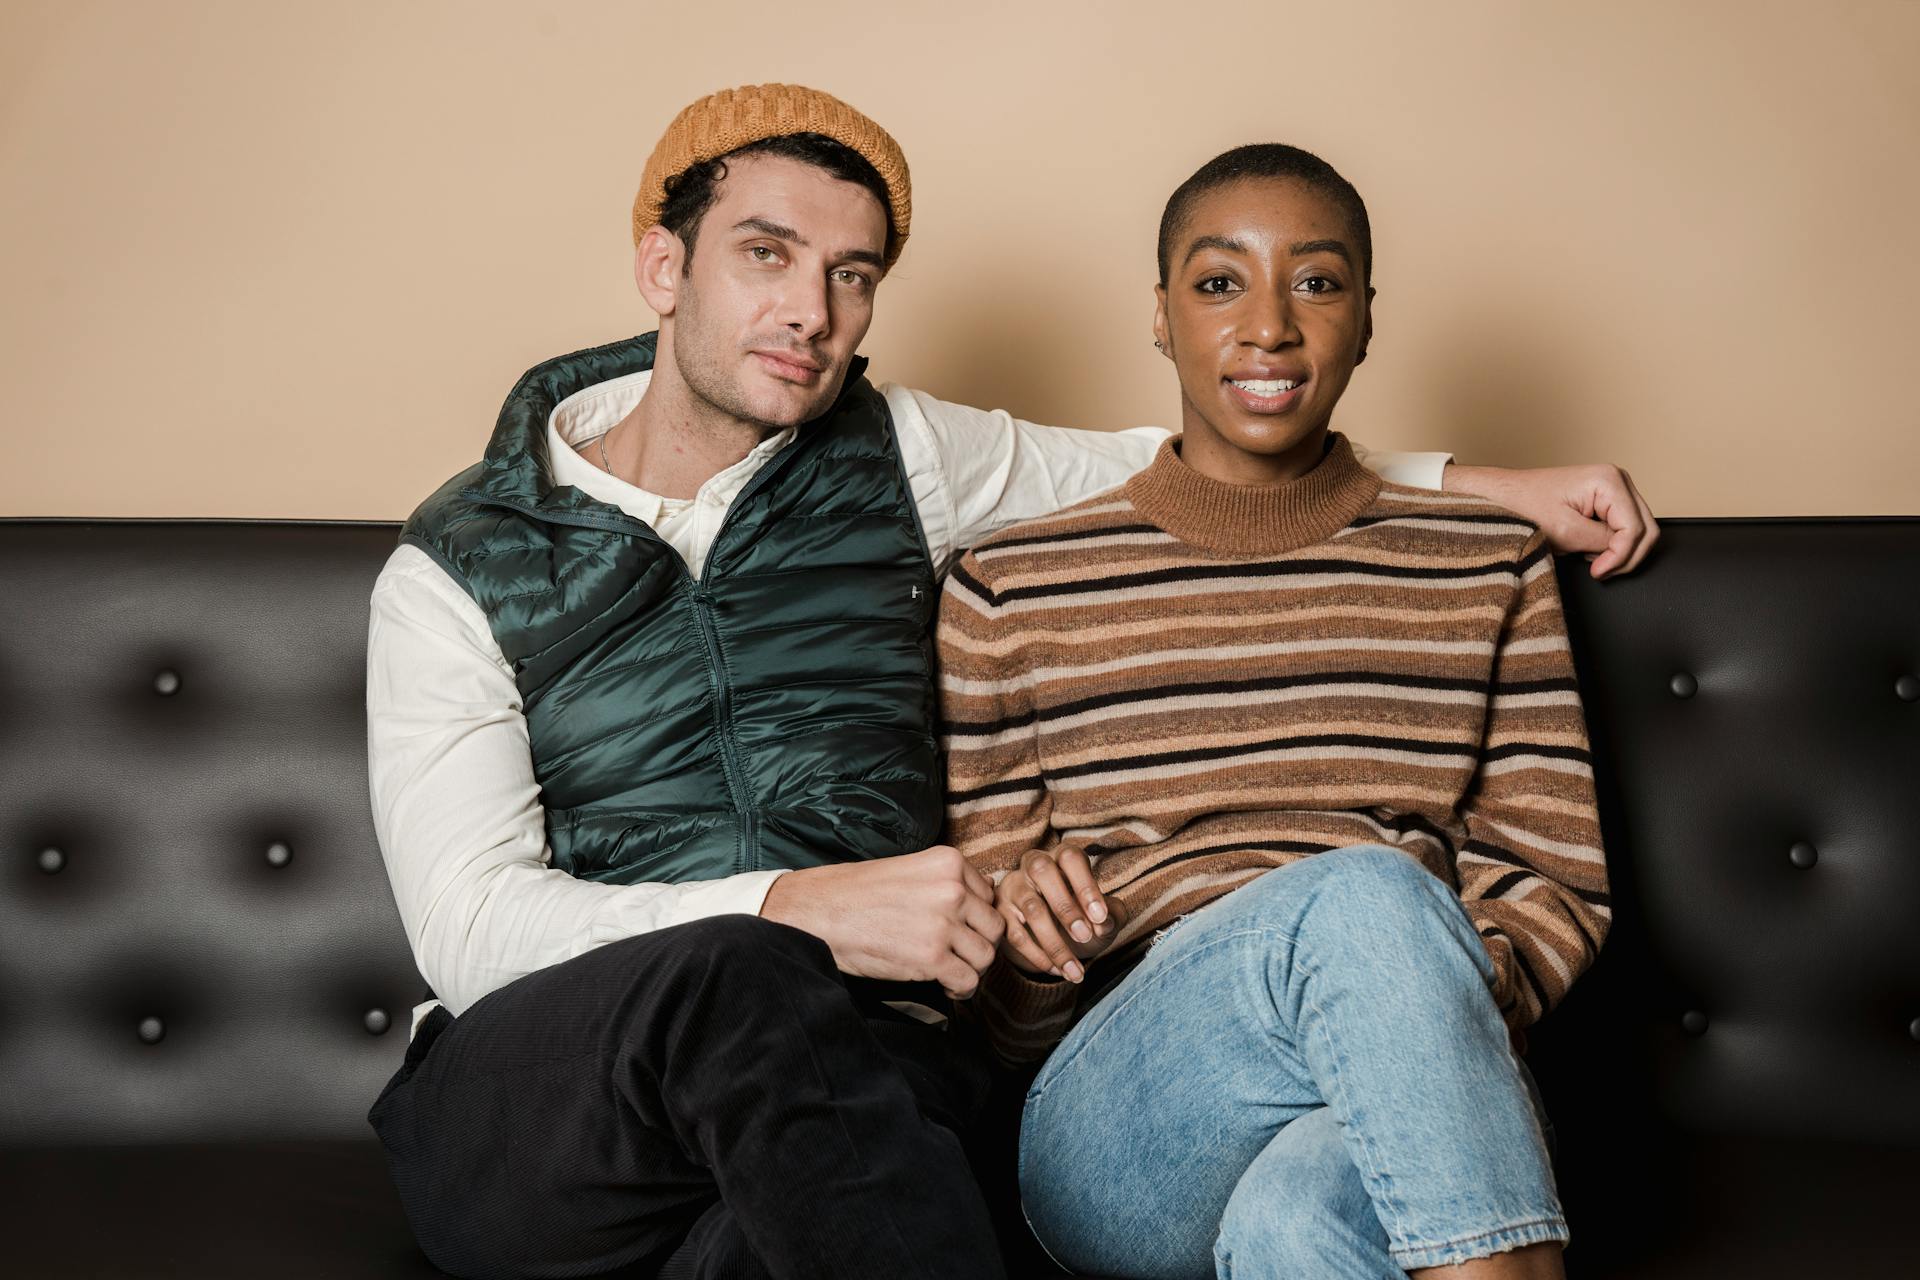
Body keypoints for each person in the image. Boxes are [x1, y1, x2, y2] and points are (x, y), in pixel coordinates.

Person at [365, 84, 1648, 1279]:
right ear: (664, 264)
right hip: (552, 1096)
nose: (810, 309)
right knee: (742, 977)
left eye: (849, 275)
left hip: (846, 1089)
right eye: (766, 253)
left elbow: (1206, 445)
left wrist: (1487, 489)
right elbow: (473, 928)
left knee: (837, 1176)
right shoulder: (460, 563)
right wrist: (793, 904)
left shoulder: (901, 457)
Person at [939, 143, 1605, 1279]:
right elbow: (991, 997)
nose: (1268, 326)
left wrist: (1422, 993)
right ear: (1160, 317)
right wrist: (1027, 941)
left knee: (1303, 1220)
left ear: (1366, 316)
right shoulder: (1011, 585)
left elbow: (1554, 877)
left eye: (1316, 280)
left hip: (1405, 1071)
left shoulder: (1488, 561)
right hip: (1121, 1120)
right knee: (1369, 893)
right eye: (1217, 283)